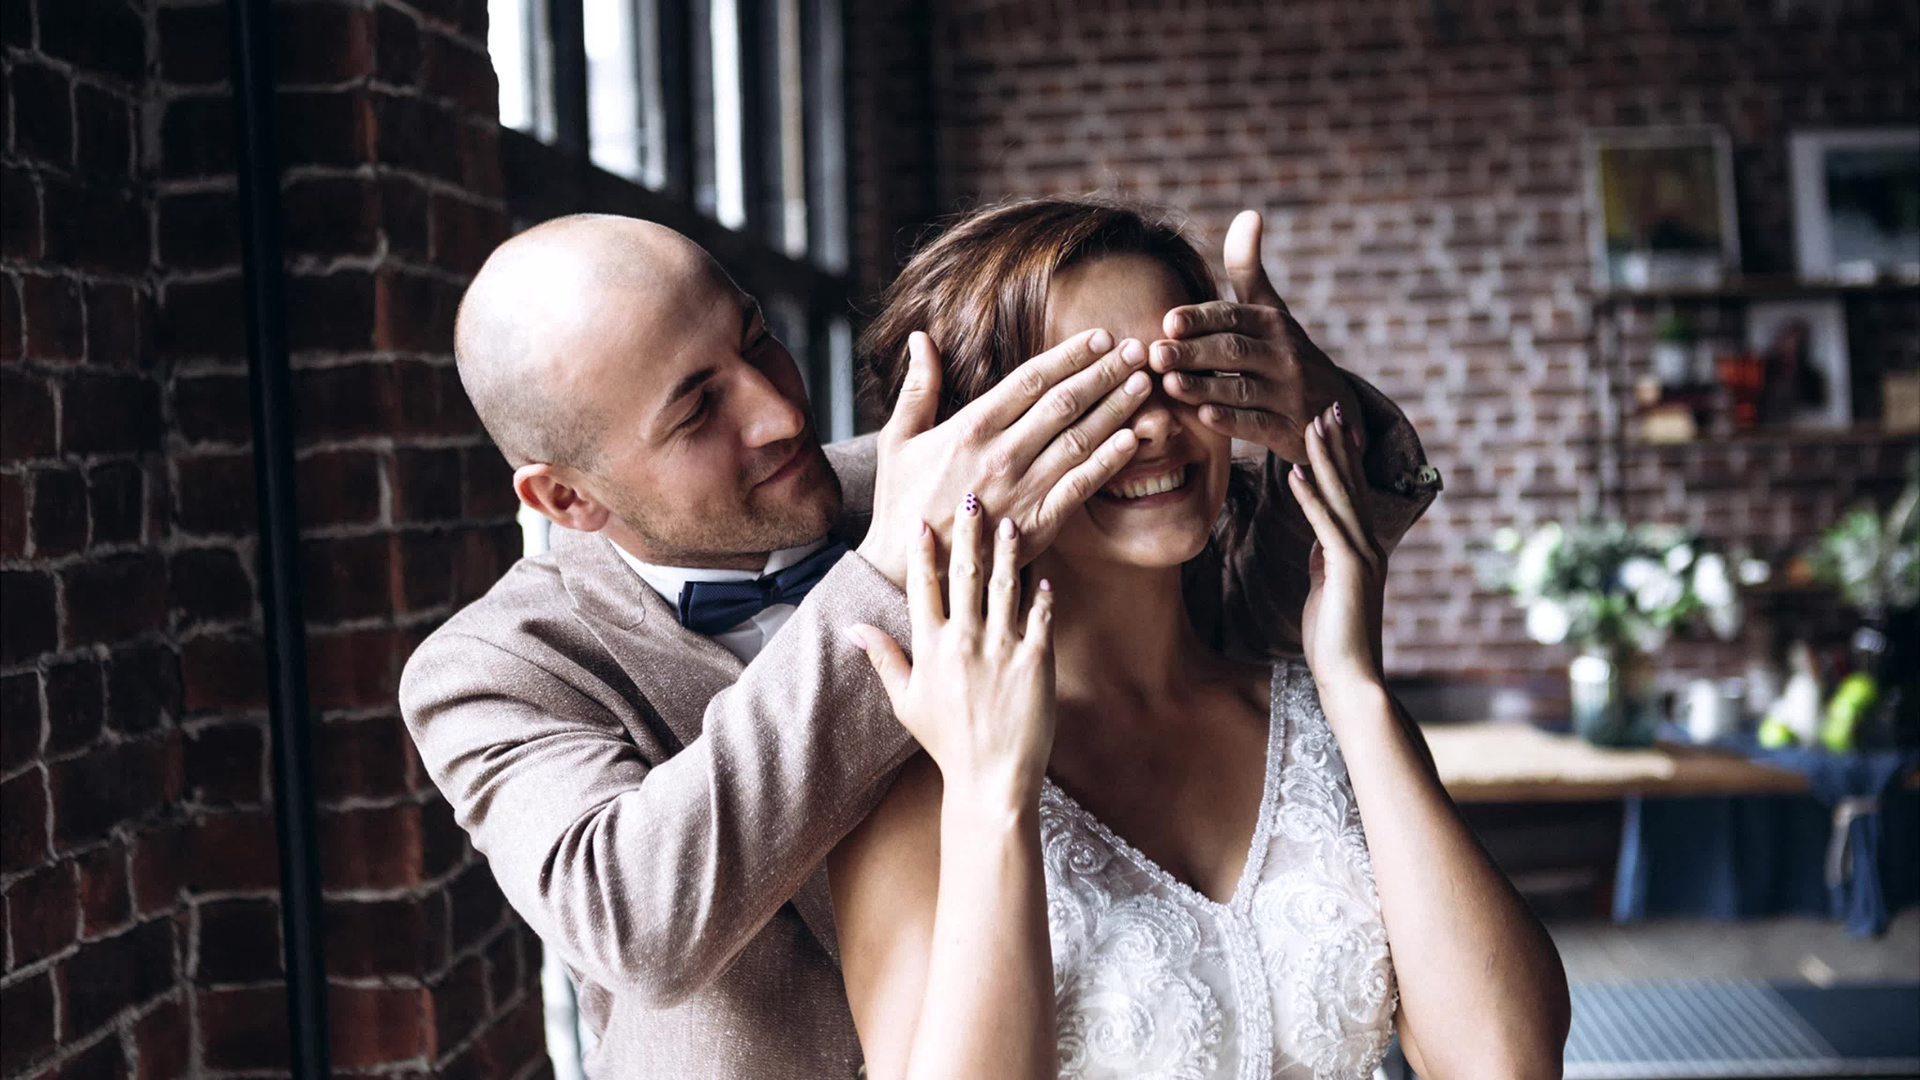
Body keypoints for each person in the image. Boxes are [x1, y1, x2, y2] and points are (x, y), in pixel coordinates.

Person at [398, 208, 1443, 1078]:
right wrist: (887, 575)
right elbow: (636, 921)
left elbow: (1215, 576)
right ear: (563, 496)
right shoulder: (491, 669)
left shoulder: (956, 465)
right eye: (697, 409)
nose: (775, 410)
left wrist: (1317, 405)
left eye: (755, 337)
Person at [831, 197, 1570, 1080]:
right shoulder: (914, 776)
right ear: (971, 446)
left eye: (1178, 378)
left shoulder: (1320, 712)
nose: (1153, 426)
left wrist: (1355, 687)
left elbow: (1508, 1061)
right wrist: (994, 793)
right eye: (1088, 397)